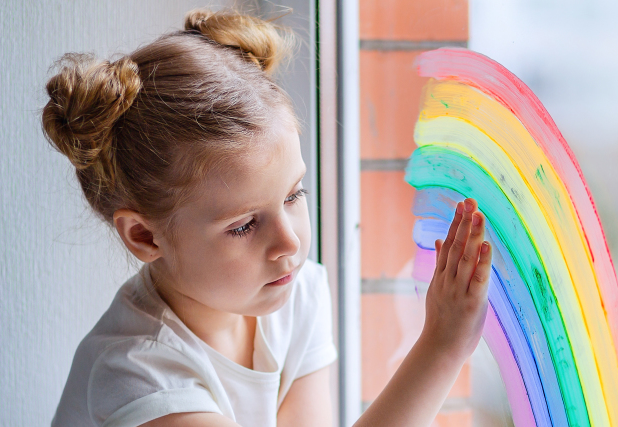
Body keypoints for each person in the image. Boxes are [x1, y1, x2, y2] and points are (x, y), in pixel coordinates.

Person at [45, 9, 493, 427]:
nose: (290, 243)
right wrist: (442, 346)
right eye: (244, 225)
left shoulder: (295, 295)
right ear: (145, 235)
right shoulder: (141, 376)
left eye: (294, 194)